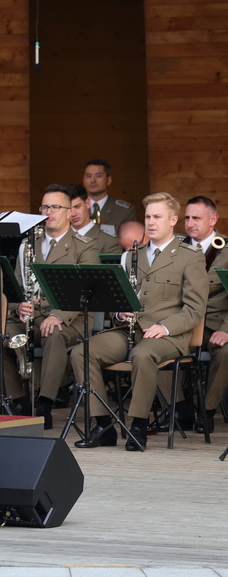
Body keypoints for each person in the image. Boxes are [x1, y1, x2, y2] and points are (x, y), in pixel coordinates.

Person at [71, 192, 207, 451]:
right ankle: (103, 425)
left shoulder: (190, 255)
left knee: (142, 355)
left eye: (157, 216)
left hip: (168, 334)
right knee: (82, 351)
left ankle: (138, 424)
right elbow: (118, 298)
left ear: (172, 220)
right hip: (129, 330)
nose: (151, 222)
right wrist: (119, 312)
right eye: (147, 216)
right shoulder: (132, 254)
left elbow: (195, 308)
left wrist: (165, 326)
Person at [3, 184, 99, 428]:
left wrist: (57, 315)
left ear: (69, 212)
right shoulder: (28, 244)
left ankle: (45, 404)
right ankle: (22, 401)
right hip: (30, 316)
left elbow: (85, 289)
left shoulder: (84, 246)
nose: (49, 211)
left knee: (53, 334)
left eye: (55, 207)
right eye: (45, 207)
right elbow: (15, 286)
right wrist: (17, 308)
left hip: (71, 318)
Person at [182, 196, 228, 431]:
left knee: (226, 352)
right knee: (151, 346)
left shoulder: (227, 250)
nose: (190, 223)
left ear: (213, 220)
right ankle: (180, 408)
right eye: (187, 217)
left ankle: (207, 410)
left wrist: (226, 330)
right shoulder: (175, 249)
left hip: (215, 322)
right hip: (182, 322)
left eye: (196, 218)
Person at [68, 184, 124, 257]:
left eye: (77, 207)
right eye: (68, 209)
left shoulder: (108, 241)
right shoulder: (57, 237)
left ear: (87, 203)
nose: (73, 214)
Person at [83, 159, 136, 233]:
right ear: (84, 180)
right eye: (88, 176)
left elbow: (130, 240)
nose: (93, 180)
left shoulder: (124, 211)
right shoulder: (74, 208)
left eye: (98, 176)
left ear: (108, 180)